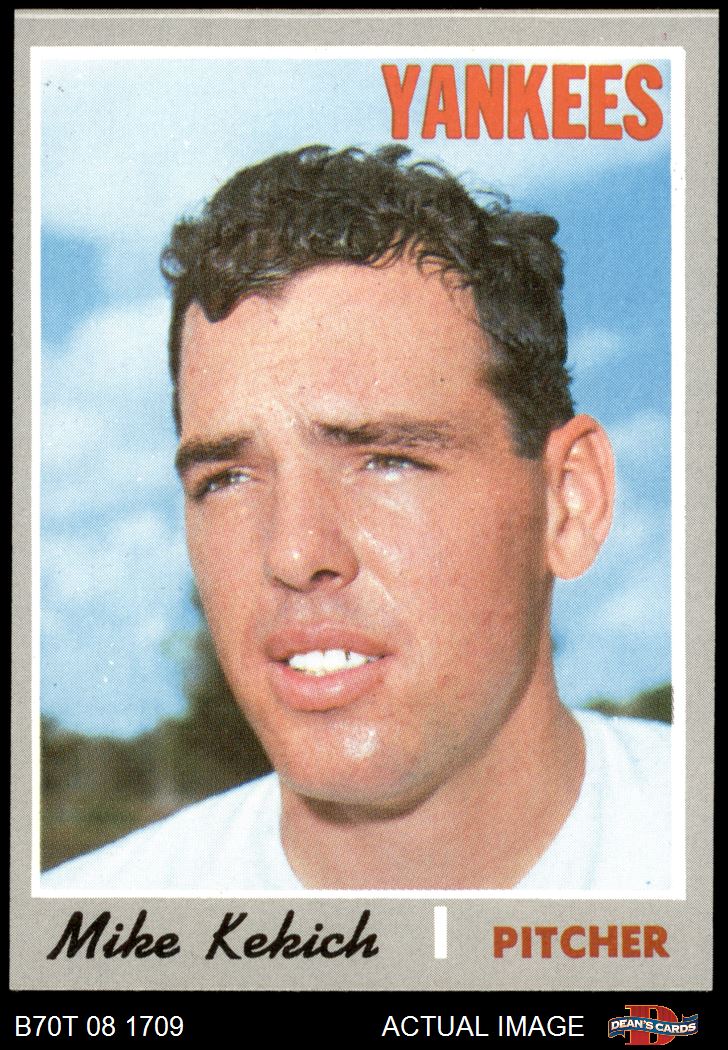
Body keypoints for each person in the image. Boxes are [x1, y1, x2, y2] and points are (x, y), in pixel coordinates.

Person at [43, 145, 670, 894]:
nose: (294, 551)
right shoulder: (91, 925)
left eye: (386, 460)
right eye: (228, 478)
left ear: (569, 502)